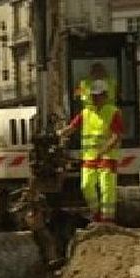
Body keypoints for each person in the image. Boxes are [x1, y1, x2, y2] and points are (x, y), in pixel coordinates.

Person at [58, 80, 124, 223]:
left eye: (98, 95)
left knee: (107, 188)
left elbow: (116, 136)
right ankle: (96, 214)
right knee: (86, 185)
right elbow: (71, 128)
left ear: (105, 96)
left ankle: (107, 219)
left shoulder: (113, 112)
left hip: (107, 156)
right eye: (93, 95)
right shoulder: (86, 113)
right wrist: (59, 134)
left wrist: (104, 149)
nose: (95, 98)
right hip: (90, 156)